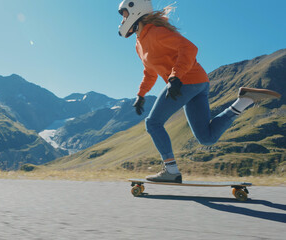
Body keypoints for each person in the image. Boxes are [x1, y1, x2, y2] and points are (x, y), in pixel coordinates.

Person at [118, 0, 281, 183]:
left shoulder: (156, 32)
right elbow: (150, 72)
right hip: (197, 82)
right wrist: (141, 94)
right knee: (206, 137)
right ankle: (245, 101)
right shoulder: (139, 44)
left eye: (124, 15)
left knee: (153, 123)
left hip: (186, 81)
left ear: (136, 12)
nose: (123, 20)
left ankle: (171, 170)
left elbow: (189, 48)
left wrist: (175, 77)